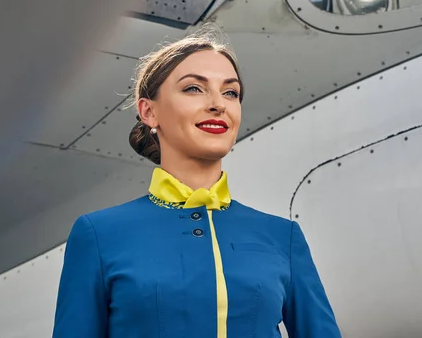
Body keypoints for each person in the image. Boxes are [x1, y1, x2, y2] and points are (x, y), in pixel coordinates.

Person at [52, 26, 341, 338]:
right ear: (148, 111)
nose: (218, 104)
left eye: (230, 92)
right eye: (194, 89)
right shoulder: (99, 235)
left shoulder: (282, 237)